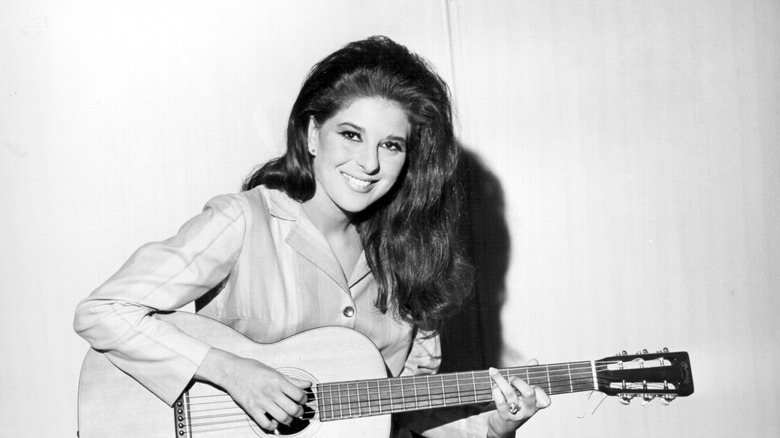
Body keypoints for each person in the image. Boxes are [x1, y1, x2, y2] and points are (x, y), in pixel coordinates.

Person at [74, 35, 550, 437]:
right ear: (310, 134)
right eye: (350, 134)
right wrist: (232, 371)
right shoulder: (244, 221)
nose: (368, 163)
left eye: (391, 145)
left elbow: (401, 426)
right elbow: (102, 312)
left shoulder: (410, 264)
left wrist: (492, 428)